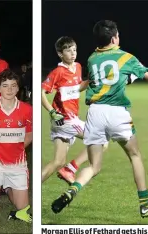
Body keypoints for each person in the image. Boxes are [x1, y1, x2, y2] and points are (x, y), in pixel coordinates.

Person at [50, 20, 148, 218]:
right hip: (116, 113)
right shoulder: (125, 57)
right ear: (114, 38)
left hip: (95, 113)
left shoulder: (91, 59)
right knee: (135, 155)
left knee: (94, 166)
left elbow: (100, 80)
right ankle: (145, 204)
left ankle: (71, 192)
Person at [41, 36, 103, 184]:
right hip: (64, 119)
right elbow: (41, 91)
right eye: (68, 51)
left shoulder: (78, 67)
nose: (73, 53)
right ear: (60, 54)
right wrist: (52, 111)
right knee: (100, 139)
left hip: (68, 119)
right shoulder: (58, 72)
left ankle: (32, 188)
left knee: (58, 162)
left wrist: (89, 82)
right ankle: (71, 168)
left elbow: (76, 88)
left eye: (74, 50)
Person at [0, 70, 32, 222]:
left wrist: (20, 148)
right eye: (5, 86)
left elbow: (30, 133)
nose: (9, 90)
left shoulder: (27, 110)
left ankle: (8, 188)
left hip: (18, 164)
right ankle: (4, 185)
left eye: (13, 86)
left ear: (17, 88)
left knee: (22, 209)